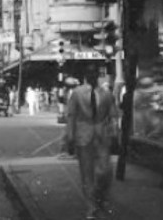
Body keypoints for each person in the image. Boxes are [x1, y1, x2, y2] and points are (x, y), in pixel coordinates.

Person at [66, 66, 119, 220]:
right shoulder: (77, 93)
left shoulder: (106, 94)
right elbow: (71, 115)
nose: (92, 75)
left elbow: (113, 115)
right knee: (87, 174)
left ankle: (100, 197)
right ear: (86, 77)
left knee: (105, 171)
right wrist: (70, 137)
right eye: (89, 73)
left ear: (98, 75)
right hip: (84, 137)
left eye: (94, 73)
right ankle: (91, 208)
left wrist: (115, 134)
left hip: (102, 136)